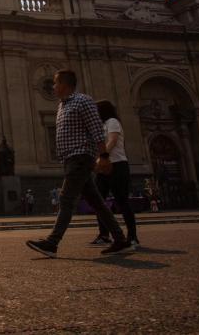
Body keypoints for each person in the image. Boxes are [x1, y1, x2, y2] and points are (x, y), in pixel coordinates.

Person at [25, 70, 133, 258]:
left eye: (55, 83)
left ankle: (52, 243)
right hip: (70, 159)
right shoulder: (62, 105)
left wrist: (104, 156)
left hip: (80, 157)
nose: (53, 86)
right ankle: (120, 240)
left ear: (65, 84)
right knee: (97, 202)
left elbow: (96, 130)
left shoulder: (83, 101)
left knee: (66, 200)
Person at [91, 100, 139, 248]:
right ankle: (104, 235)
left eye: (96, 110)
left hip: (117, 164)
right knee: (99, 201)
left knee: (122, 201)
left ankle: (132, 237)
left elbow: (112, 140)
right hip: (104, 167)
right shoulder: (101, 125)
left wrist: (103, 156)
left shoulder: (112, 122)